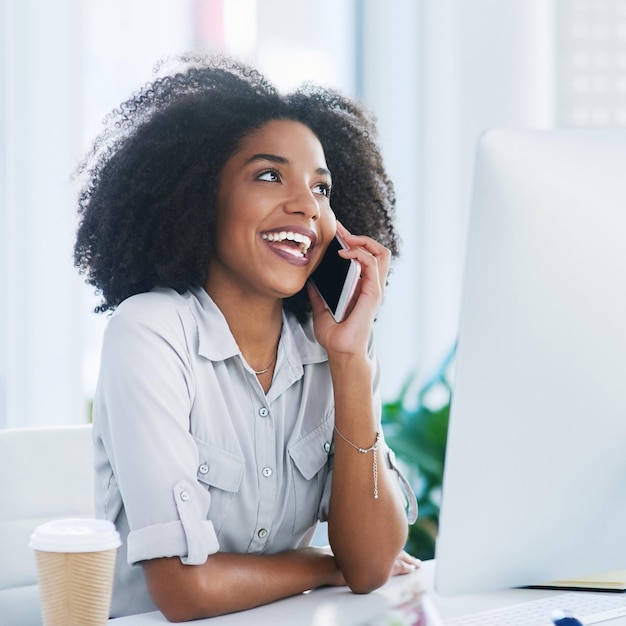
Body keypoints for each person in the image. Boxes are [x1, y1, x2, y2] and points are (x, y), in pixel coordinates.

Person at [74, 55, 418, 622]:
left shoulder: (331, 344)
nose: (306, 206)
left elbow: (374, 561)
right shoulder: (152, 332)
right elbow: (186, 591)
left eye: (322, 188)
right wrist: (326, 565)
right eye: (268, 175)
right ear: (199, 195)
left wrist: (351, 359)